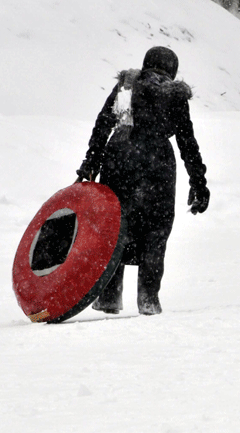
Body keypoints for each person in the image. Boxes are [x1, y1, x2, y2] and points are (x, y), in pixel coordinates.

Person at [76, 46, 210, 315]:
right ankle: (148, 298)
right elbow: (187, 142)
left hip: (120, 157)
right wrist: (199, 182)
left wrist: (91, 163)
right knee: (156, 230)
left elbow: (103, 124)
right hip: (158, 164)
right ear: (172, 70)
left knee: (116, 226)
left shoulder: (126, 87)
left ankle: (110, 296)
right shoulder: (175, 95)